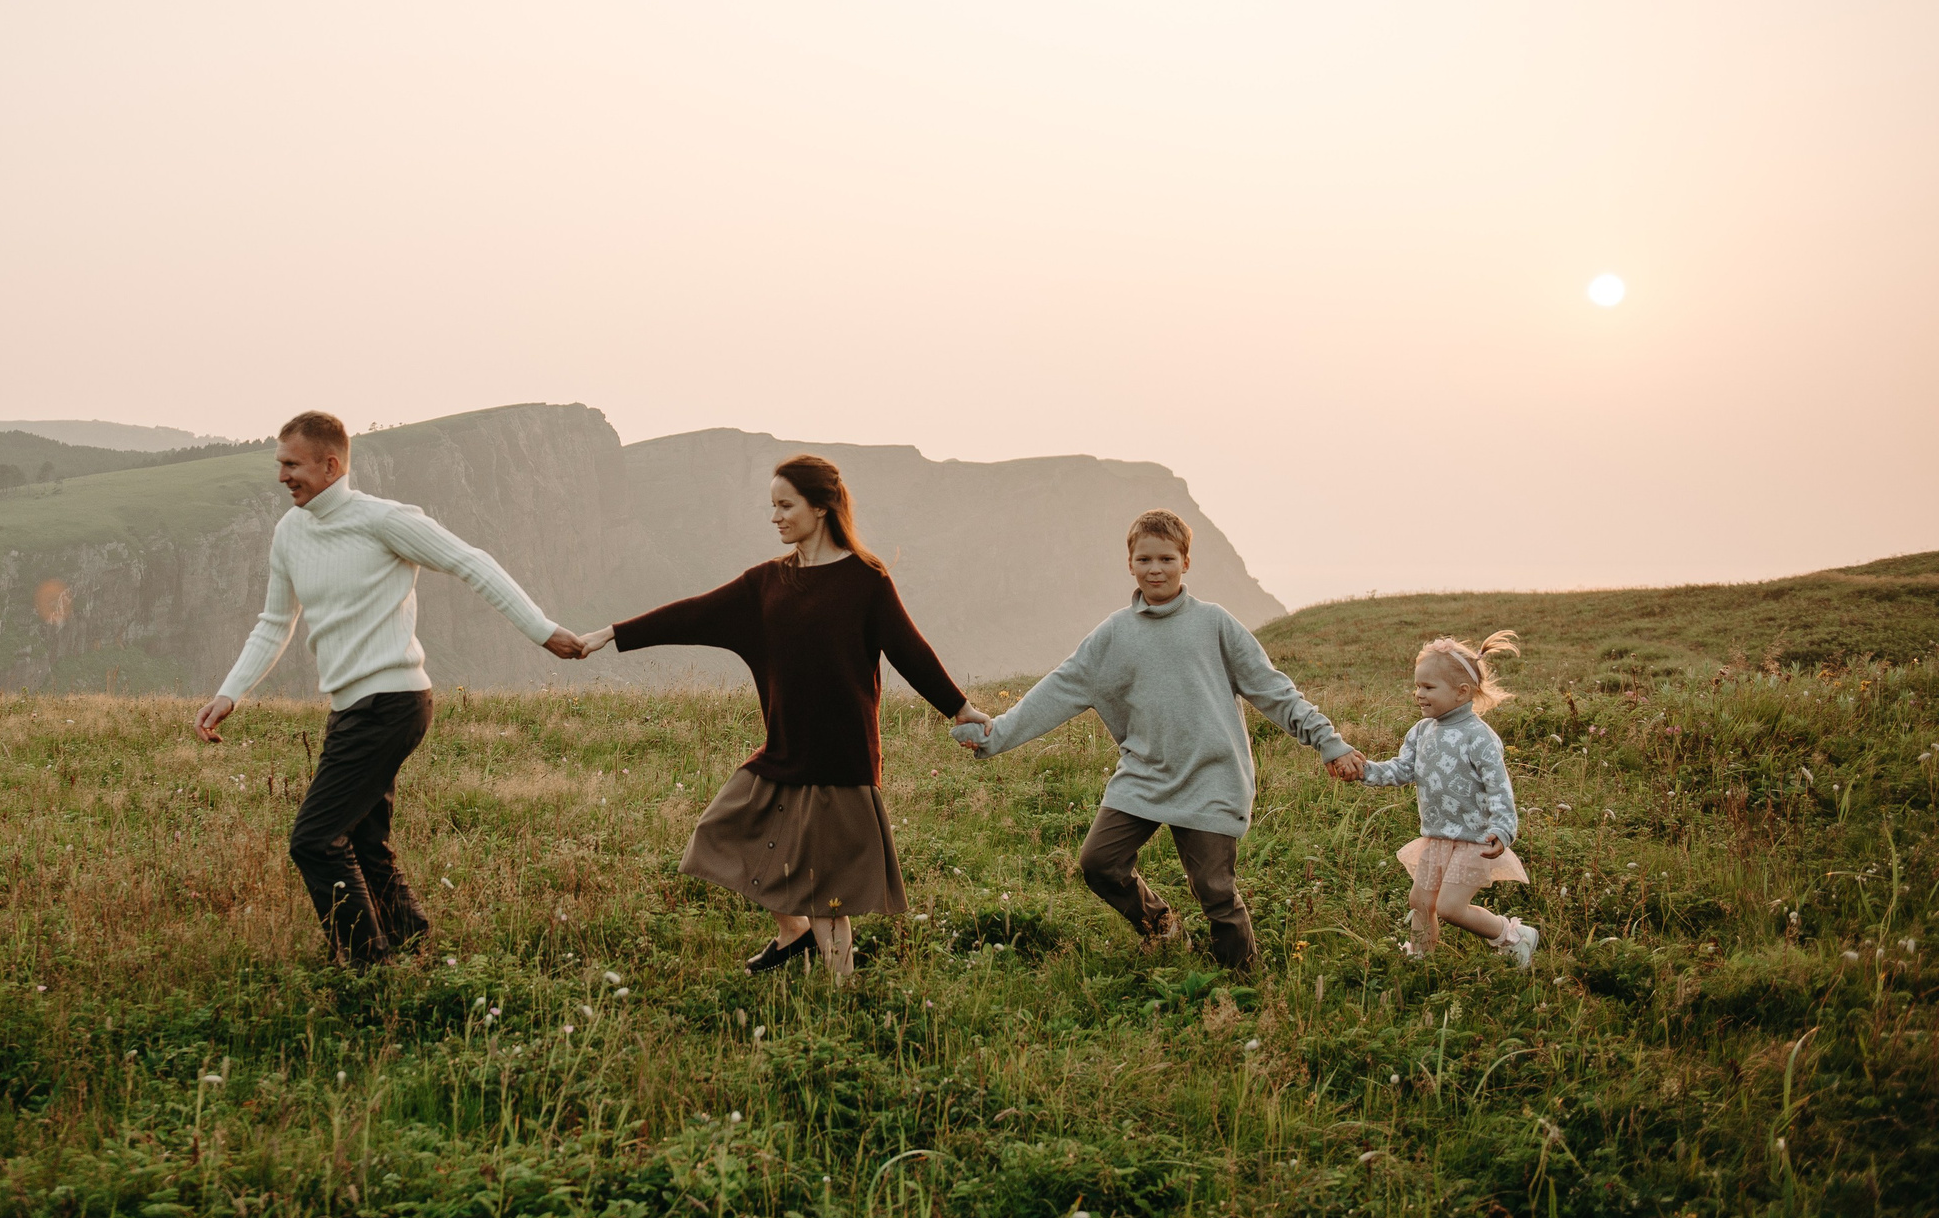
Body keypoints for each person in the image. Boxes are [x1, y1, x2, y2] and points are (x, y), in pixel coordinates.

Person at [576, 454, 989, 981]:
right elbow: (692, 613)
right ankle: (792, 934)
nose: (775, 516)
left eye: (785, 505)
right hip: (784, 753)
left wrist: (959, 707)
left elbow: (910, 651)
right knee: (717, 833)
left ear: (821, 507)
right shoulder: (766, 584)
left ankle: (844, 995)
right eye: (772, 505)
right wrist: (611, 634)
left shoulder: (866, 580)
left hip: (840, 762)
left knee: (826, 895)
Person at [195, 411, 586, 966]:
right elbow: (274, 623)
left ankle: (366, 966)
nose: (281, 476)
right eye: (278, 464)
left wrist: (543, 631)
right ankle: (409, 943)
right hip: (350, 707)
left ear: (330, 465)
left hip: (393, 702)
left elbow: (470, 562)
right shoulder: (289, 533)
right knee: (360, 841)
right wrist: (229, 692)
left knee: (314, 840)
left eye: (291, 464)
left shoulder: (384, 520)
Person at [956, 508, 1363, 972]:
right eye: (1145, 559)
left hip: (1212, 778)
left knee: (1216, 892)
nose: (1155, 569)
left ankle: (1243, 986)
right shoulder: (1114, 635)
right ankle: (1161, 925)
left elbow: (1274, 691)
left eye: (1167, 559)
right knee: (1098, 862)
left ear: (1186, 562)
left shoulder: (1214, 623)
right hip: (1144, 775)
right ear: (1129, 563)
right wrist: (995, 736)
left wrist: (1329, 742)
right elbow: (1059, 689)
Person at [1332, 632, 1539, 967]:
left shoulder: (1480, 737)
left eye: (1428, 687)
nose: (1419, 694)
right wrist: (1364, 771)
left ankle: (1513, 936)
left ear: (1462, 692)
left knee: (1450, 907)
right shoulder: (1421, 731)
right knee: (1420, 901)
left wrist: (1503, 829)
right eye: (1417, 686)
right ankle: (1420, 957)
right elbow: (1401, 770)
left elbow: (1500, 789)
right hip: (1438, 837)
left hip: (1474, 840)